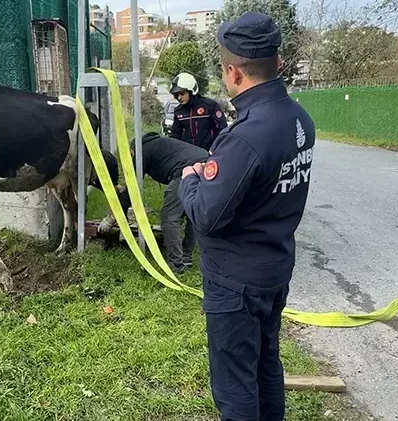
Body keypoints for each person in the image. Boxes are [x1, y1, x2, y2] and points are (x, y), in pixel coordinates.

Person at [177, 11, 316, 421]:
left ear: (233, 72)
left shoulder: (245, 138)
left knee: (235, 382)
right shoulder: (300, 119)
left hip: (236, 283)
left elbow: (206, 216)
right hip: (274, 268)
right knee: (266, 364)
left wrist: (190, 179)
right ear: (279, 63)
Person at [96, 132, 211, 274]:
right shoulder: (159, 144)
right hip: (207, 166)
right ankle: (186, 255)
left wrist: (111, 219)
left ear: (132, 150)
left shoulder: (141, 152)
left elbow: (131, 190)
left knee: (169, 218)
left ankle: (176, 263)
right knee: (192, 212)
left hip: (186, 170)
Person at [169, 72, 228, 151]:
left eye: (182, 93)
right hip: (188, 154)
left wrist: (216, 149)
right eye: (176, 95)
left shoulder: (210, 106)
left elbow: (222, 130)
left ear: (191, 91)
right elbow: (175, 137)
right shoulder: (178, 111)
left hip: (209, 153)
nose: (179, 98)